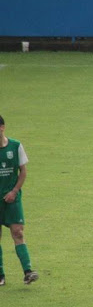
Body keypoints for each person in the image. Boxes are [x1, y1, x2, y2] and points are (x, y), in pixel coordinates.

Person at [0, 115, 38, 286]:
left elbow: (23, 171)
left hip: (12, 198)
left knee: (18, 232)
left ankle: (28, 272)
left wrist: (14, 191)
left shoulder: (15, 146)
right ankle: (0, 275)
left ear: (2, 128)